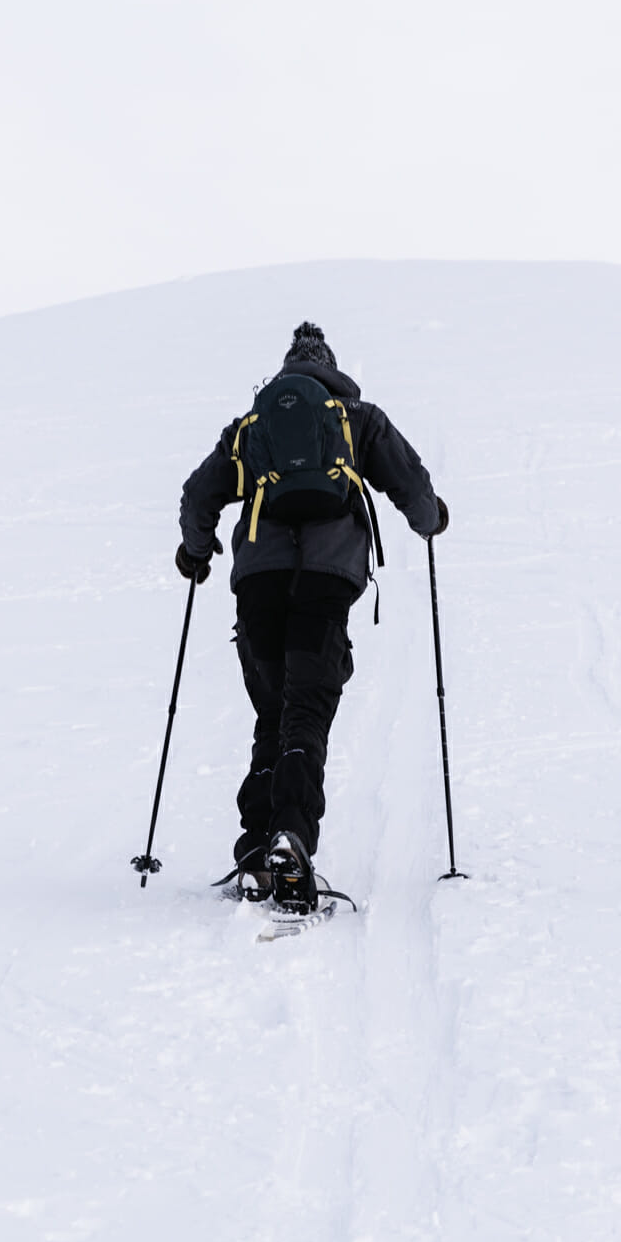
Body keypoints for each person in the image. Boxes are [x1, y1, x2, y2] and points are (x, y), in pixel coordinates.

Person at [176, 321, 447, 911]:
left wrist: (195, 551)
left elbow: (199, 496)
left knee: (272, 710)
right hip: (327, 579)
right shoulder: (357, 417)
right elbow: (413, 484)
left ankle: (255, 851)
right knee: (307, 710)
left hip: (259, 581)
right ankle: (292, 839)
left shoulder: (251, 427)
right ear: (330, 367)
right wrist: (431, 520)